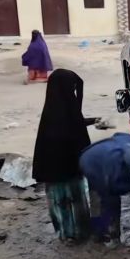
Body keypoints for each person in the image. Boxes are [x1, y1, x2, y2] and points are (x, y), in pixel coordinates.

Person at [32, 69, 98, 244]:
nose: (74, 91)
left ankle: (67, 233)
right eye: (72, 87)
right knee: (71, 200)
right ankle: (74, 234)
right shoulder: (65, 111)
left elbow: (73, 123)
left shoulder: (54, 108)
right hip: (66, 168)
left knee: (62, 203)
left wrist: (92, 121)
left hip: (55, 170)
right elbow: (71, 130)